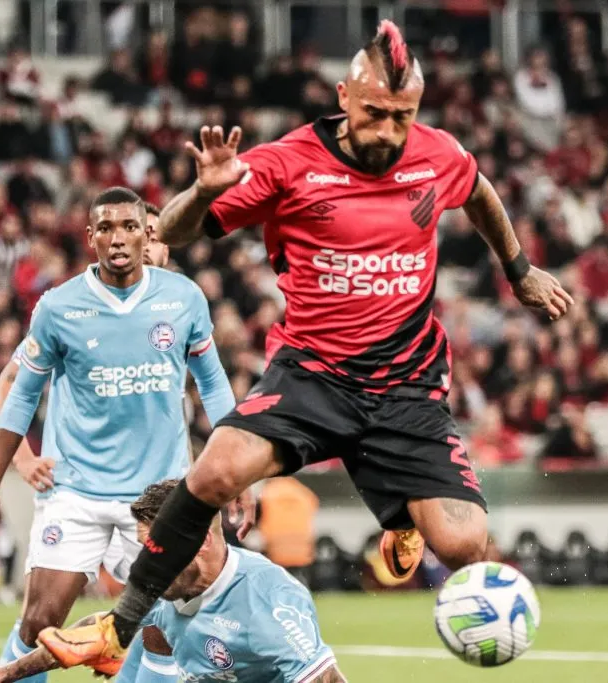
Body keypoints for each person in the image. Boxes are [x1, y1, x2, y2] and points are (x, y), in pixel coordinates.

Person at [37, 20, 572, 674]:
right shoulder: (288, 164)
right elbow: (175, 231)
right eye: (374, 112)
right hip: (313, 376)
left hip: (407, 386)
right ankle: (118, 629)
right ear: (345, 95)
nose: (387, 129)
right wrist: (204, 190)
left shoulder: (438, 154)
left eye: (401, 117)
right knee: (213, 473)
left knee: (464, 544)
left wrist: (519, 271)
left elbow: (480, 191)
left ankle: (401, 510)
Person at [0, 190, 239, 683]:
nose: (119, 238)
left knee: (167, 624)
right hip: (76, 490)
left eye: (130, 227)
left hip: (158, 498)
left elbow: (214, 386)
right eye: (107, 228)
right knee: (39, 623)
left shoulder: (183, 300)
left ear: (147, 235)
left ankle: (127, 657)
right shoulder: (58, 307)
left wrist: (236, 476)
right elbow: (17, 395)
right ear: (90, 238)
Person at [0, 479, 345, 683]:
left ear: (201, 541)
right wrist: (4, 673)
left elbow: (325, 679)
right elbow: (98, 631)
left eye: (157, 547)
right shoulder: (168, 584)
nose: (146, 560)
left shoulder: (266, 605)